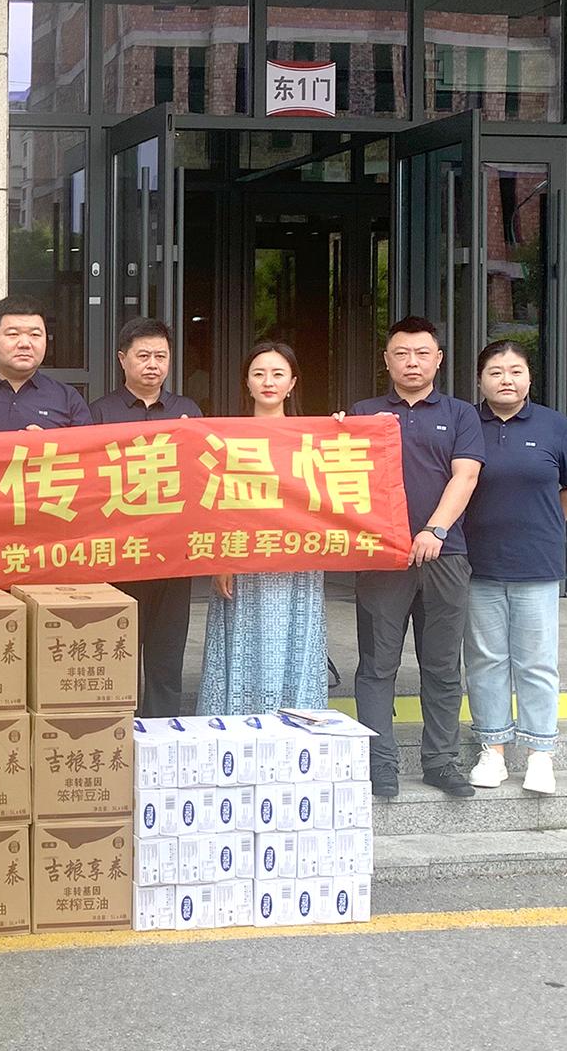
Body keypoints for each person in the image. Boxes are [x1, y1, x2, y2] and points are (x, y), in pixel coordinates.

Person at [349, 316, 485, 799]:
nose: (412, 362)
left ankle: (441, 762)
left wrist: (435, 528)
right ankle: (379, 764)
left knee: (443, 666)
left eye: (422, 353)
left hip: (445, 555)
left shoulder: (461, 414)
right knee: (376, 665)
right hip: (383, 559)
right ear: (387, 360)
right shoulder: (363, 413)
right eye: (402, 354)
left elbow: (465, 476)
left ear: (438, 359)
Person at [462, 340, 567, 796]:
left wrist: (547, 522)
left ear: (529, 377)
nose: (506, 380)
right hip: (477, 563)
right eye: (496, 372)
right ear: (480, 380)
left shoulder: (554, 426)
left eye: (515, 371)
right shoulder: (465, 424)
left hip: (537, 563)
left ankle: (540, 754)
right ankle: (492, 751)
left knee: (536, 661)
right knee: (485, 660)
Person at [198, 342, 328, 715]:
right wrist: (220, 559)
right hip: (242, 558)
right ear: (247, 383)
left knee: (295, 640)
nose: (268, 382)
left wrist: (343, 429)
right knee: (242, 642)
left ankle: (295, 721)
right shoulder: (226, 437)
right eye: (259, 374)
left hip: (298, 561)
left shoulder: (315, 437)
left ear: (292, 383)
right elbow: (215, 503)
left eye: (277, 374)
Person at [90, 316, 204, 718]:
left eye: (161, 356)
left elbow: (203, 477)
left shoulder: (188, 412)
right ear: (123, 359)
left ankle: (162, 736)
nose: (152, 364)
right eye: (143, 356)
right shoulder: (99, 413)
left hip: (173, 556)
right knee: (117, 654)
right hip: (120, 556)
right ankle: (119, 733)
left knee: (166, 659)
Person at [0, 296, 92, 433]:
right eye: (13, 334)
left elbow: (88, 449)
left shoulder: (67, 400)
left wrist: (49, 444)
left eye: (35, 335)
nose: (24, 344)